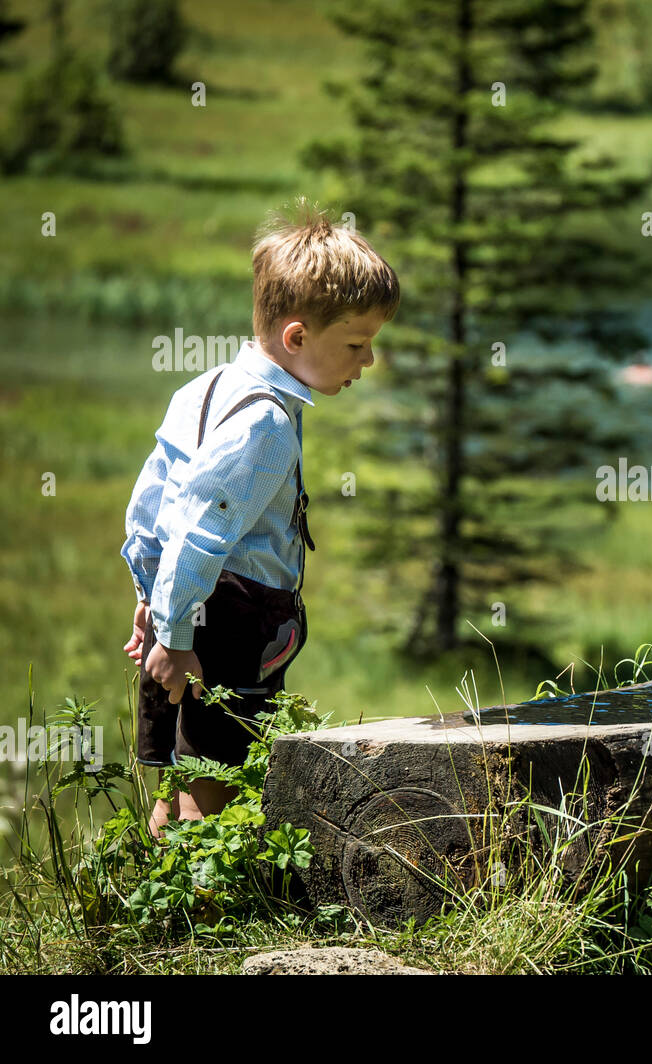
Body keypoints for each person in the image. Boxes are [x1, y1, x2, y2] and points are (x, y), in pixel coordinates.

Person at [121, 199, 400, 838]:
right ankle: (203, 918)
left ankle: (162, 910)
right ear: (297, 337)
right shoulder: (267, 424)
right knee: (213, 776)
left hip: (186, 608)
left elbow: (152, 504)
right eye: (356, 345)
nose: (368, 361)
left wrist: (151, 593)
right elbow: (200, 530)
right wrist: (174, 637)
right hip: (227, 627)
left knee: (181, 769)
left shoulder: (204, 388)